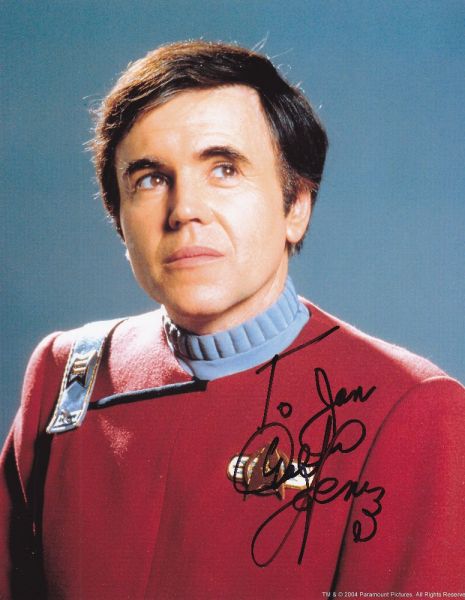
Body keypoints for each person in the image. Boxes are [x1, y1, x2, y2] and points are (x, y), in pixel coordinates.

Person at [1, 40, 464, 599]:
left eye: (224, 169)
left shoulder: (411, 410)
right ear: (119, 219)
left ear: (296, 206)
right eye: (150, 179)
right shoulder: (67, 374)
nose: (184, 210)